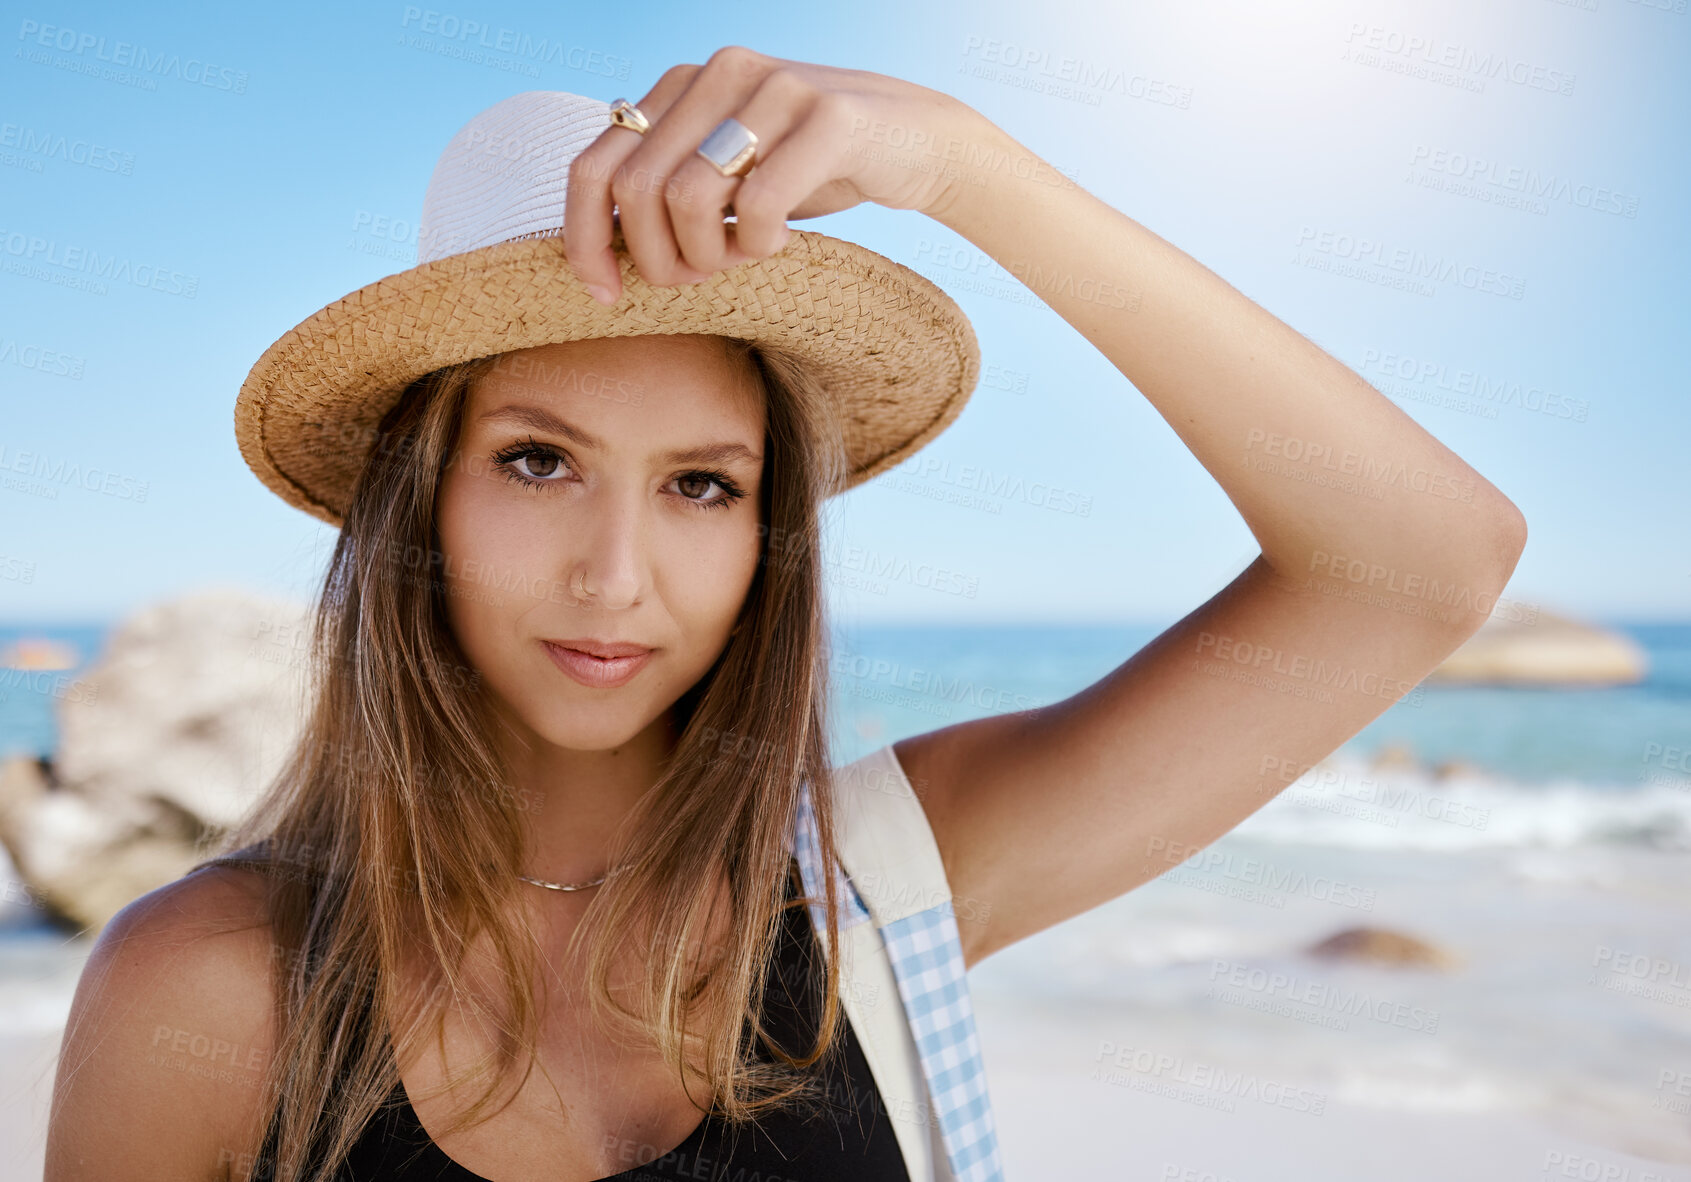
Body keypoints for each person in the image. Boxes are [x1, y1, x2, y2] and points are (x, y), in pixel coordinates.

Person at [44, 46, 1526, 1182]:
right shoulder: (210, 994)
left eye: (700, 483)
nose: (616, 575)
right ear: (418, 496)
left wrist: (967, 166)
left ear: (772, 534)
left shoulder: (887, 883)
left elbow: (1421, 566)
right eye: (539, 460)